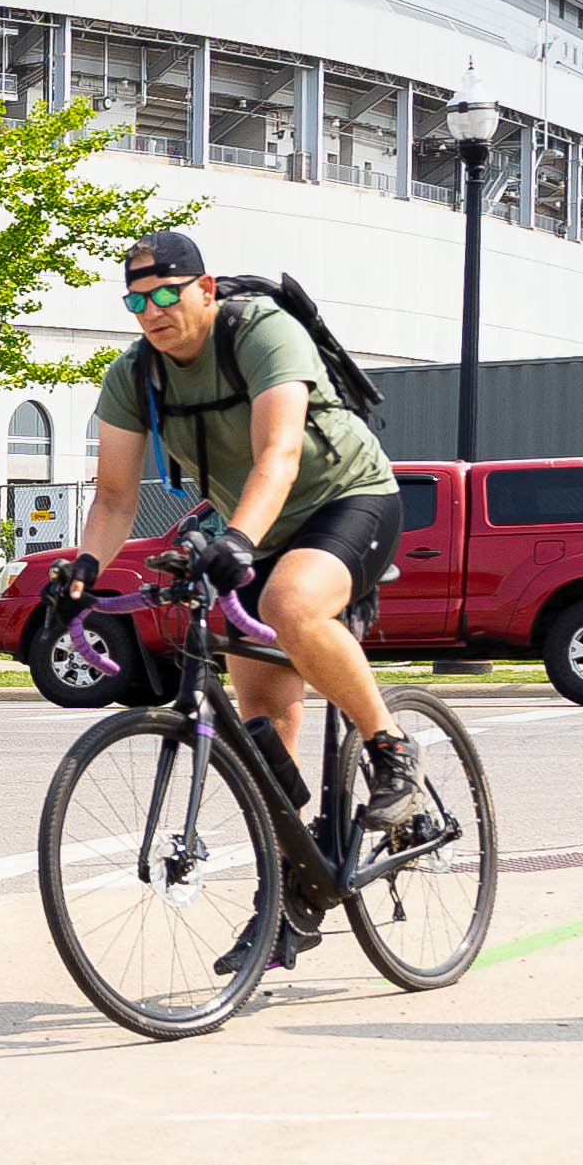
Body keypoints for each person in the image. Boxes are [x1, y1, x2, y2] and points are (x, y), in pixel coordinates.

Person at [115, 229, 421, 970]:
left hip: (345, 496)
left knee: (289, 604)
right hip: (252, 522)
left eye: (166, 292)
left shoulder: (260, 330)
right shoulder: (135, 375)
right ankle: (294, 889)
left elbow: (279, 453)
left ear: (205, 288)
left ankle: (390, 751)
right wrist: (79, 581)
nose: (153, 310)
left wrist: (241, 540)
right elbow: (112, 495)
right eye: (136, 300)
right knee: (261, 714)